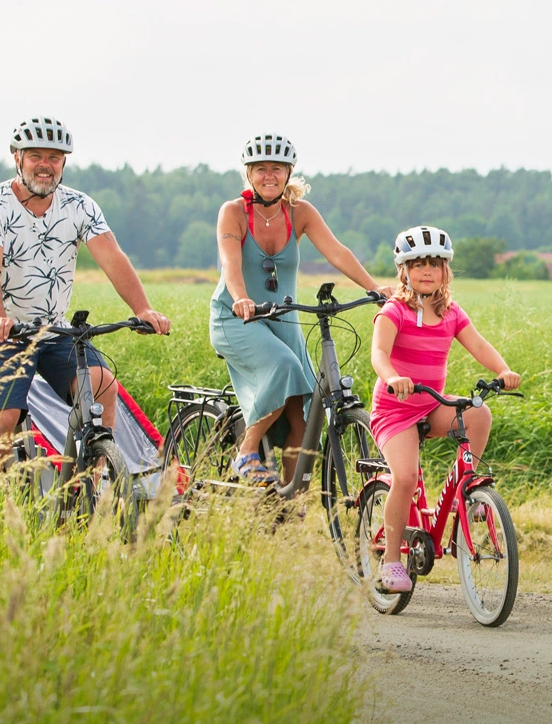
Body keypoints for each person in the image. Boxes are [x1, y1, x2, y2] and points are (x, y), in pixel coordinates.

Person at [0, 116, 171, 493]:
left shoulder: (79, 205)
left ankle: (86, 488)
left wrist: (143, 308)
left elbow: (112, 257)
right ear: (17, 158)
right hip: (0, 330)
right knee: (5, 417)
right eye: (36, 156)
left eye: (55, 157)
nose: (45, 164)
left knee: (102, 387)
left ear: (64, 163)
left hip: (52, 327)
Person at [209, 134, 392, 486]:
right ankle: (246, 451)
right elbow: (230, 262)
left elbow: (337, 252)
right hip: (237, 317)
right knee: (284, 366)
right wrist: (241, 298)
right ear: (248, 173)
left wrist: (373, 287)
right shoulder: (233, 212)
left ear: (288, 172)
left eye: (276, 169)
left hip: (284, 322)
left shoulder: (300, 213)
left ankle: (288, 504)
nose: (268, 176)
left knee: (305, 410)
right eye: (260, 169)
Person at [368, 225, 519, 594]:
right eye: (417, 264)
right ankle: (390, 563)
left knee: (479, 413)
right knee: (404, 478)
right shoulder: (394, 311)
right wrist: (393, 377)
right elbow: (379, 354)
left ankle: (467, 495)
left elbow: (479, 345)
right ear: (403, 270)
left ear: (445, 270)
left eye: (435, 264)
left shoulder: (450, 312)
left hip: (432, 405)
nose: (426, 271)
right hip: (396, 409)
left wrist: (502, 370)